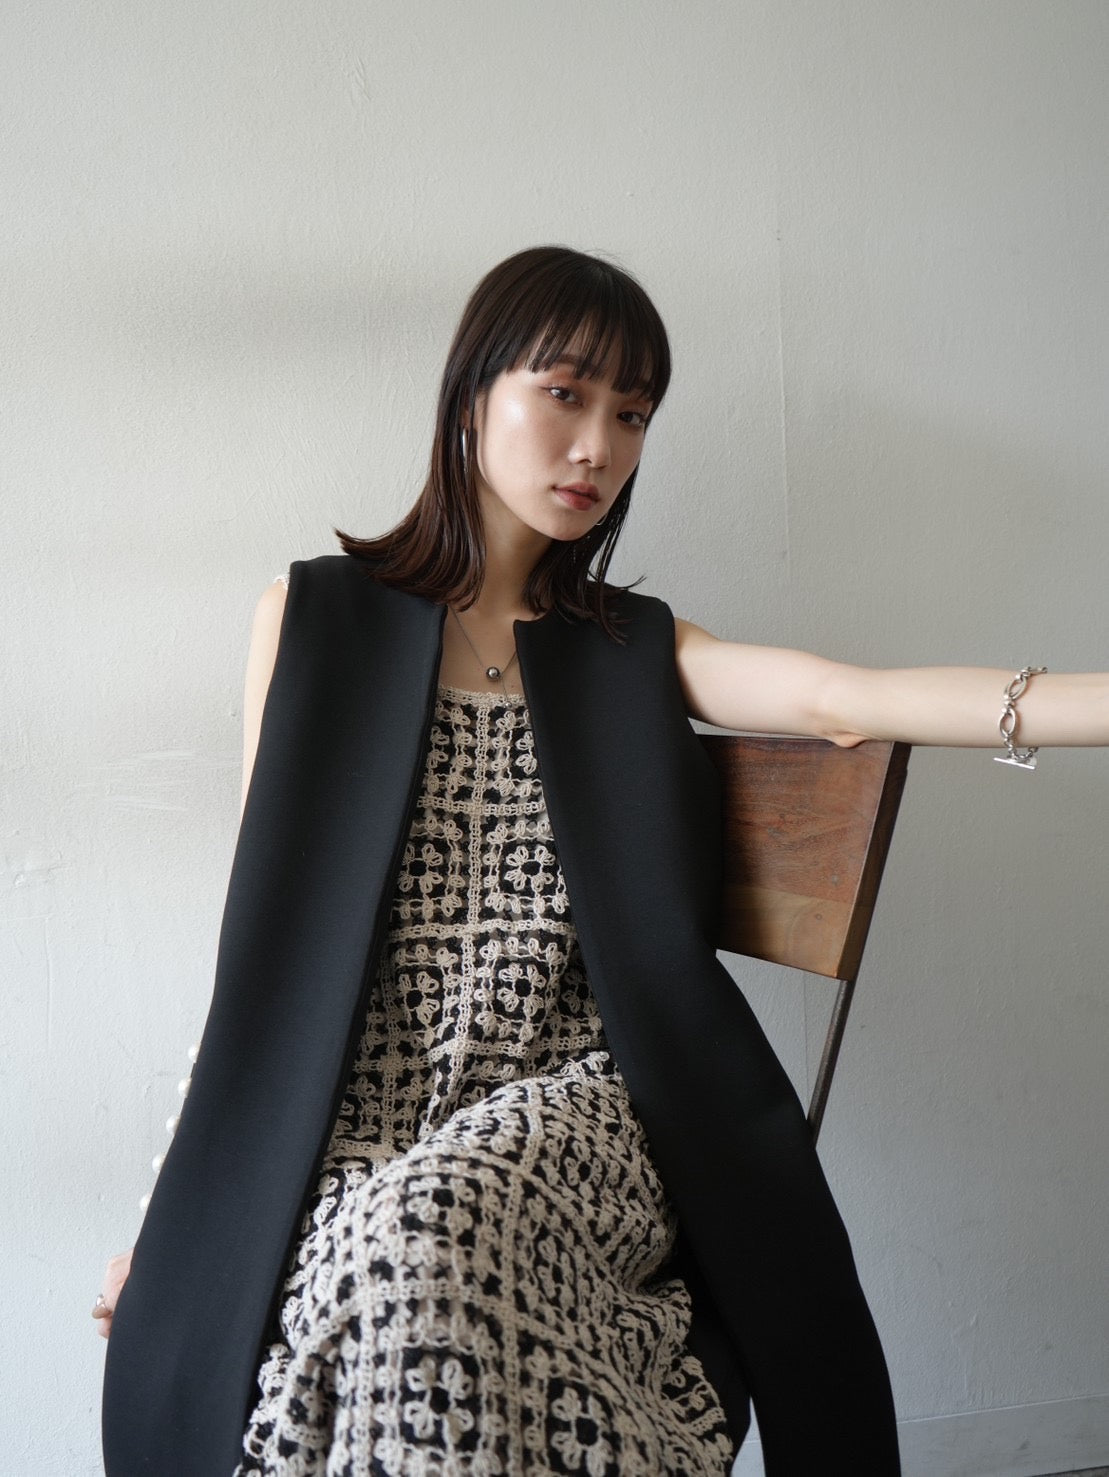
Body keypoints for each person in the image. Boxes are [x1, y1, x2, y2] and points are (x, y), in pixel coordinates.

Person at [96, 245, 1108, 1477]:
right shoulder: (312, 621)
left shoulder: (631, 649)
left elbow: (843, 698)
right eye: (564, 395)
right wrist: (176, 1218)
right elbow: (261, 956)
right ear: (471, 394)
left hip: (579, 1110)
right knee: (352, 1292)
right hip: (361, 1117)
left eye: (630, 415)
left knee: (414, 1240)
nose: (596, 447)